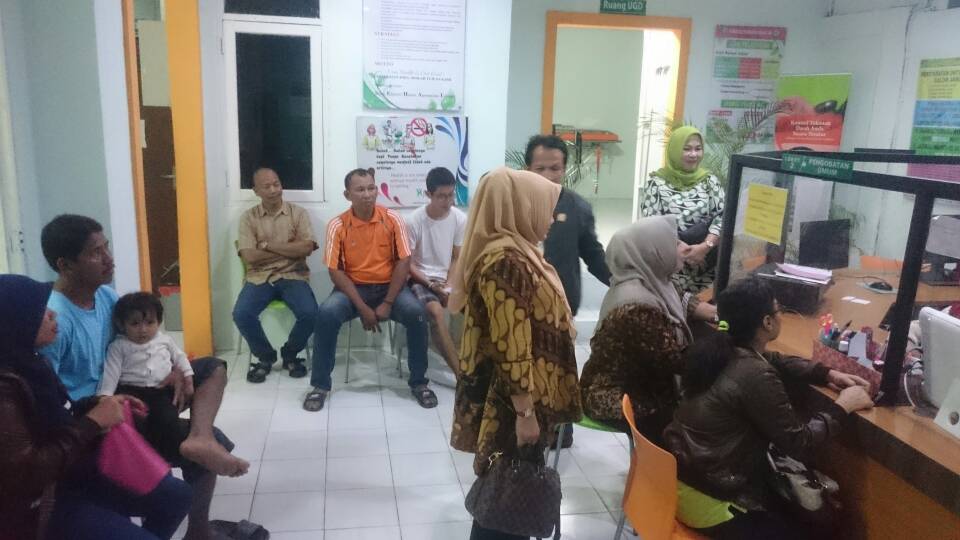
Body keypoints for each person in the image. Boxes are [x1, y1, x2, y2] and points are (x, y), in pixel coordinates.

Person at [39, 214, 253, 540]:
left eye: (107, 247)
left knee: (211, 368)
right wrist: (101, 407)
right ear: (65, 264)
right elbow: (50, 397)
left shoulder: (106, 297)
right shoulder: (55, 321)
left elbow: (140, 344)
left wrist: (173, 369)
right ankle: (197, 526)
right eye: (96, 252)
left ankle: (200, 439)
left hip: (135, 389)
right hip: (103, 414)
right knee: (212, 447)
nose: (109, 258)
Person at [664, 276, 875, 539]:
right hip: (711, 499)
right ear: (767, 322)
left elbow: (772, 358)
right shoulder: (754, 373)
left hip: (684, 480)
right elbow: (800, 442)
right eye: (778, 310)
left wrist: (824, 373)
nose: (780, 315)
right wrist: (843, 406)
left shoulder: (720, 348)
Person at [0, 274, 192, 540]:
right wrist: (92, 422)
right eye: (41, 311)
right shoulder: (6, 389)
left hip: (72, 473)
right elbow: (29, 473)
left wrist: (98, 404)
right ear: (17, 322)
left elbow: (60, 415)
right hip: (43, 503)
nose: (53, 314)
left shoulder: (32, 364)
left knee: (178, 496)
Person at [449, 168, 583, 540]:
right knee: (507, 495)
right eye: (544, 208)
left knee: (507, 494)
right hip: (512, 403)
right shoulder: (505, 262)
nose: (550, 220)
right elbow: (511, 347)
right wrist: (525, 414)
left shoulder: (518, 254)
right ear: (520, 207)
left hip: (522, 397)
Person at [579, 216, 717, 443]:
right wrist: (727, 343)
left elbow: (679, 297)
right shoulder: (637, 307)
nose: (684, 248)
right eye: (674, 243)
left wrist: (716, 314)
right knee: (699, 423)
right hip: (615, 396)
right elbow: (677, 362)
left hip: (641, 386)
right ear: (651, 252)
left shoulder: (649, 280)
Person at [306, 168, 435, 411]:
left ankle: (419, 382)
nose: (367, 194)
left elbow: (404, 262)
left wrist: (387, 302)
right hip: (353, 289)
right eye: (360, 190)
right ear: (347, 195)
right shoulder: (337, 225)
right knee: (326, 314)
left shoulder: (392, 219)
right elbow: (335, 271)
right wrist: (363, 308)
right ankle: (320, 386)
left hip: (390, 288)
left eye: (371, 188)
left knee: (417, 314)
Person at [234, 167, 318, 383]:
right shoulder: (248, 218)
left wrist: (267, 245)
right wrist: (289, 250)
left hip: (293, 275)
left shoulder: (298, 213)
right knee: (241, 314)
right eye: (267, 186)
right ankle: (265, 357)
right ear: (256, 191)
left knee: (310, 314)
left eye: (276, 184)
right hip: (259, 277)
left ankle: (290, 354)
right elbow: (249, 256)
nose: (273, 190)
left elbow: (307, 248)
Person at [98, 292, 202, 463]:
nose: (143, 329)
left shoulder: (164, 340)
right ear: (122, 325)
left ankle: (169, 454)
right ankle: (147, 458)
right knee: (138, 422)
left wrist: (188, 375)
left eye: (150, 322)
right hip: (131, 391)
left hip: (160, 390)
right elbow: (111, 372)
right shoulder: (119, 346)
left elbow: (180, 357)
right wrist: (105, 397)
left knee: (168, 418)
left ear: (159, 322)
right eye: (135, 324)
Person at [524, 134, 610, 316]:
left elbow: (593, 255)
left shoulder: (578, 207)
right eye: (540, 168)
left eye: (555, 168)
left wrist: (621, 282)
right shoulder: (513, 205)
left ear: (564, 170)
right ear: (527, 169)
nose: (547, 175)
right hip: (521, 304)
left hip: (562, 305)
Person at [640, 126, 725, 294]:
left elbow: (723, 216)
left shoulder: (709, 181)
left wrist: (705, 247)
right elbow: (651, 225)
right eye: (686, 149)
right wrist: (683, 249)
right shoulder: (656, 183)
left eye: (698, 149)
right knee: (673, 307)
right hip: (670, 269)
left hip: (707, 268)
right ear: (674, 150)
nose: (693, 154)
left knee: (705, 307)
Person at [406, 167, 467, 379]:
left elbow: (457, 257)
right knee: (435, 311)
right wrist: (433, 286)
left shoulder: (459, 218)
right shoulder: (414, 220)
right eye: (441, 196)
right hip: (420, 279)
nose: (448, 201)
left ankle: (476, 365)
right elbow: (408, 265)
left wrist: (448, 287)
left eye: (451, 195)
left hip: (447, 279)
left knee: (476, 306)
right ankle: (460, 375)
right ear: (428, 194)